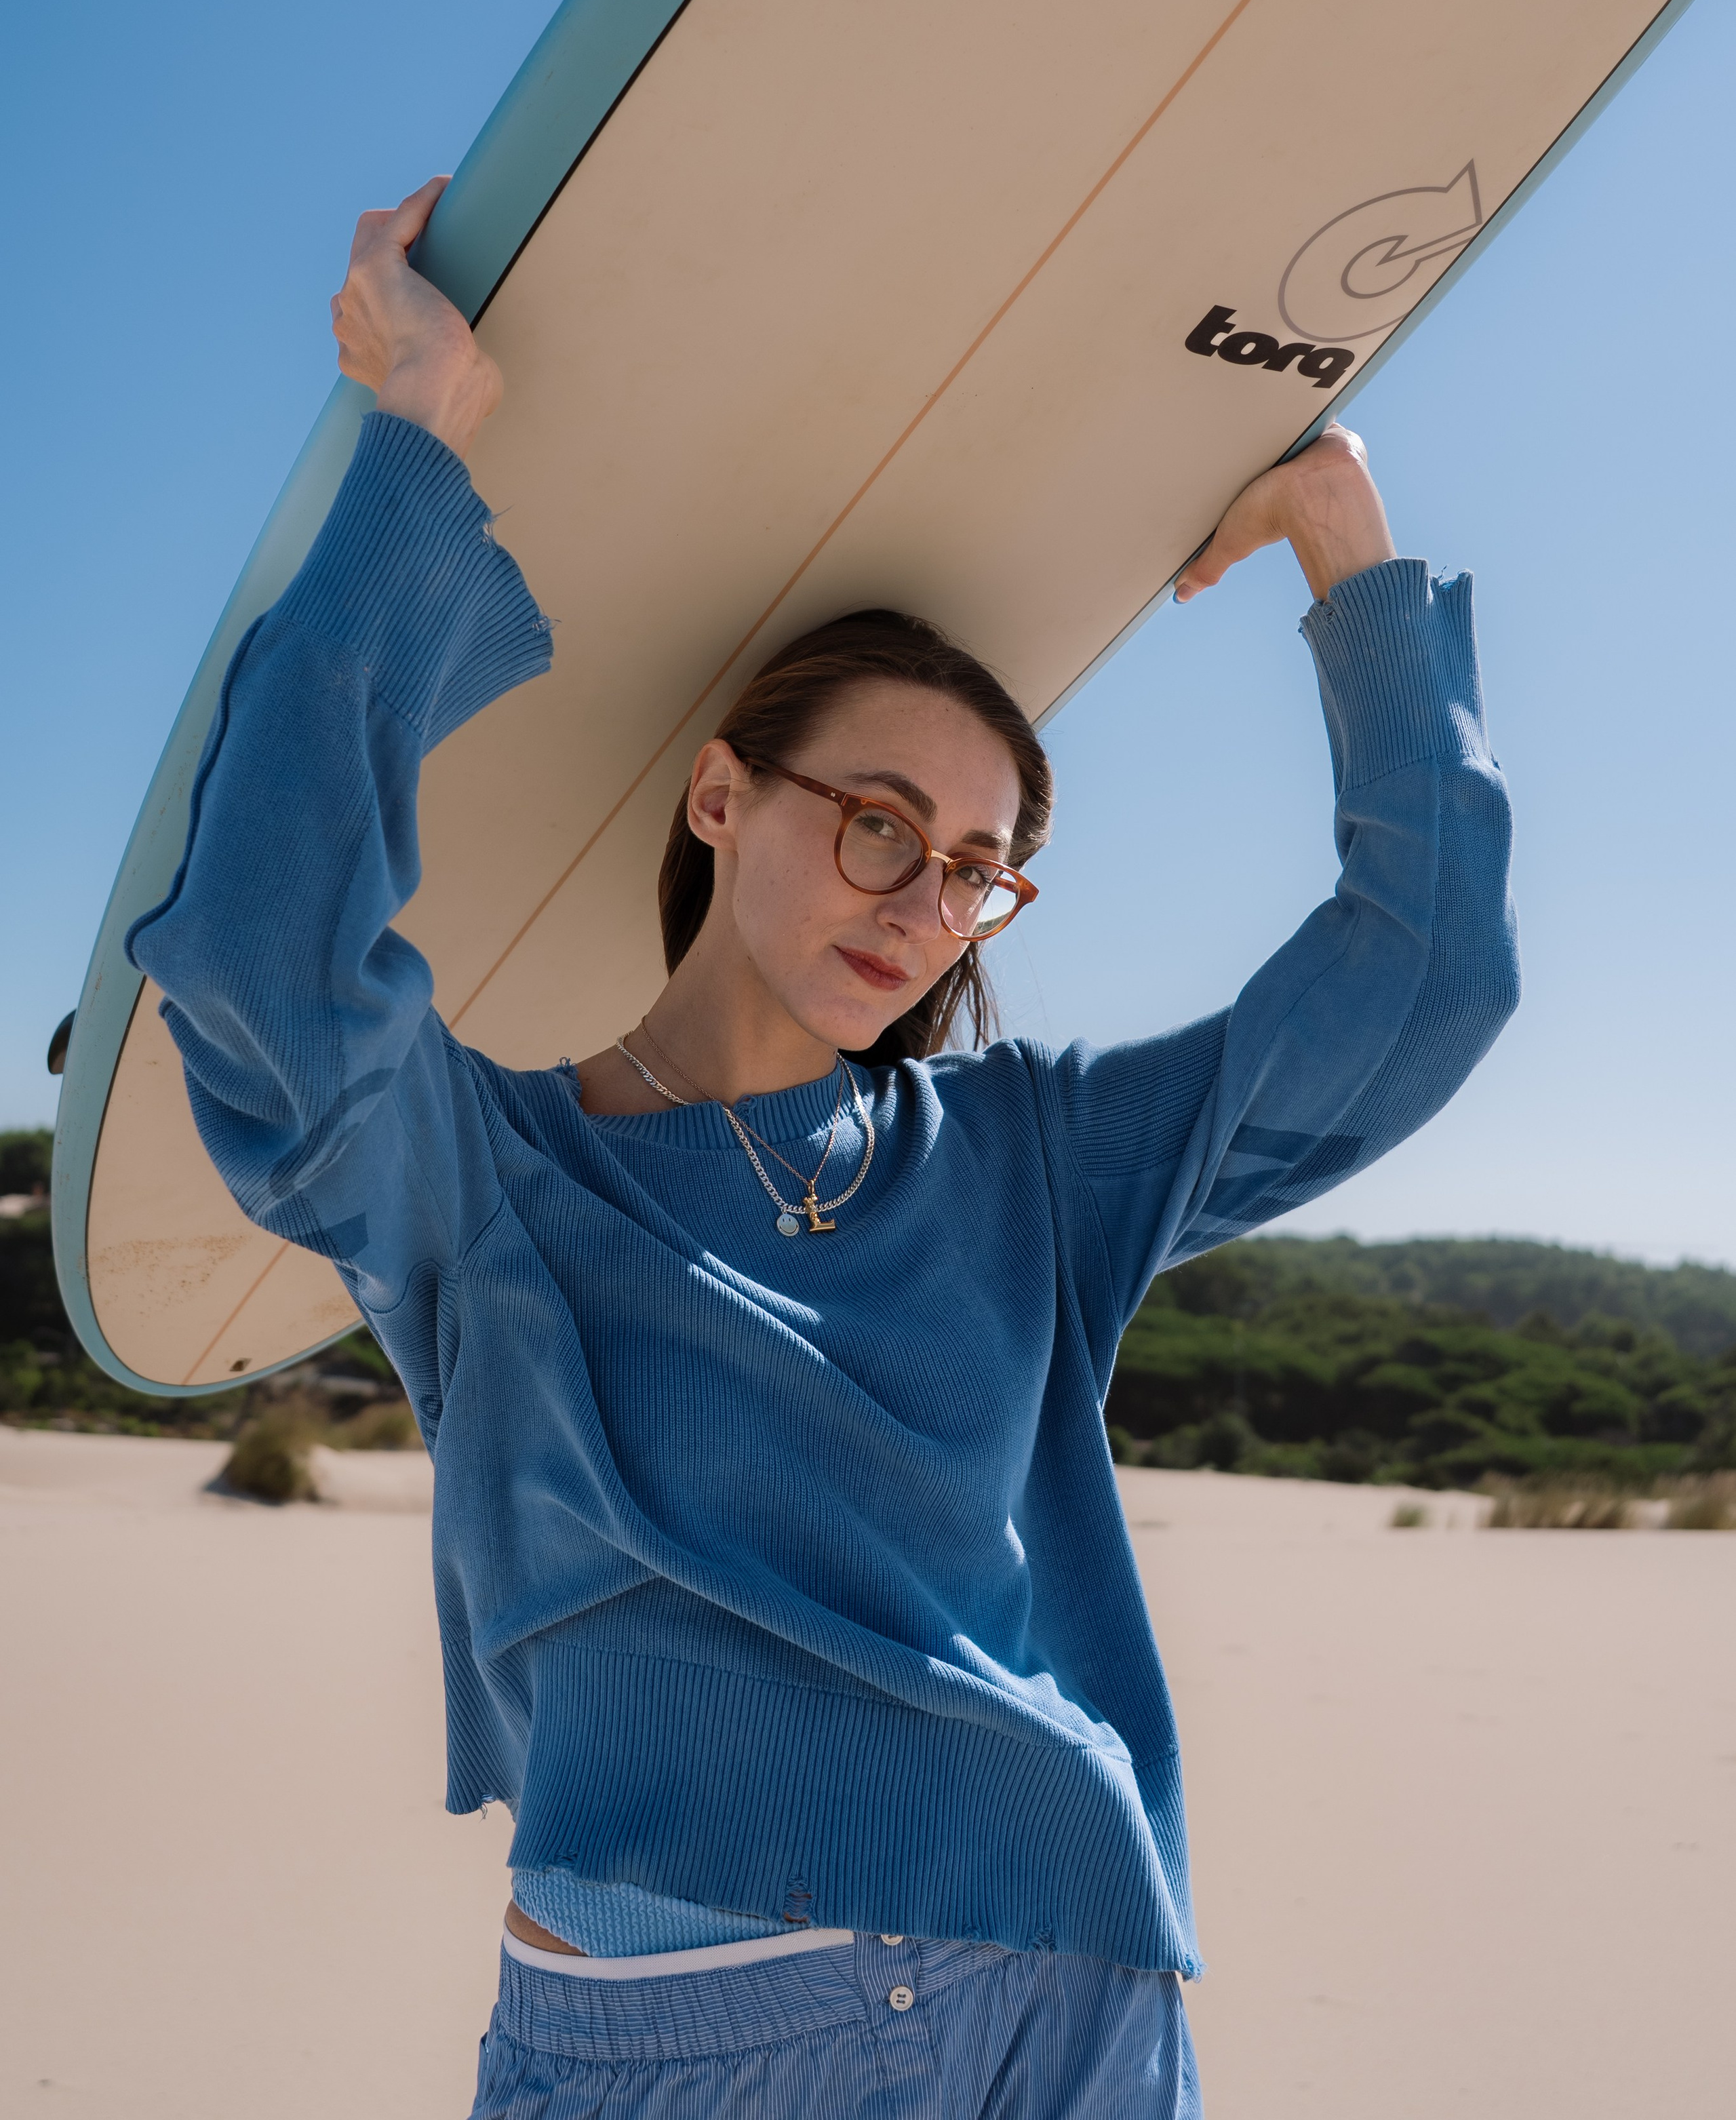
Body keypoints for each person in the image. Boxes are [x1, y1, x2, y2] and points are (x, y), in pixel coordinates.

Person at [130, 180, 1518, 2117]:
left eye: (973, 872)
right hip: (701, 2015)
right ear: (721, 792)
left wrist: (1346, 548)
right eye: (877, 819)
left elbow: (1424, 981)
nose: (919, 898)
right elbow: (266, 960)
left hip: (1076, 1979)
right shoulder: (496, 1175)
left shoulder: (1033, 1161)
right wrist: (416, 450)